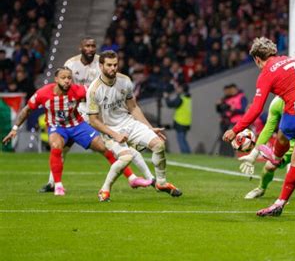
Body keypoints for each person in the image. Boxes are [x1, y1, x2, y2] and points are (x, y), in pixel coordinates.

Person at [223, 37, 295, 217]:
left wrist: (235, 130)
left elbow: (256, 108)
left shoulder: (266, 74)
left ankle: (276, 157)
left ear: (257, 59)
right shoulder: (290, 60)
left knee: (282, 134)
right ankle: (279, 203)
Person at [39, 37, 151, 192]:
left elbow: (114, 81)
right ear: (81, 47)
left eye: (93, 46)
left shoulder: (102, 62)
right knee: (62, 148)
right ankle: (53, 183)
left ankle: (145, 178)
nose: (90, 49)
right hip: (78, 111)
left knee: (115, 144)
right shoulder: (71, 64)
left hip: (101, 111)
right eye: (87, 46)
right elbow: (66, 86)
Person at [2, 67, 128, 196]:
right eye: (63, 78)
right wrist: (15, 129)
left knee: (103, 147)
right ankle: (58, 186)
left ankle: (131, 177)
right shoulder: (43, 93)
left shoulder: (78, 90)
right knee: (56, 146)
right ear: (56, 79)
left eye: (69, 78)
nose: (67, 81)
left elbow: (97, 93)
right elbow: (27, 110)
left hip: (77, 125)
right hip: (57, 127)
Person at [87, 50, 182, 202]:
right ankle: (104, 190)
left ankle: (161, 183)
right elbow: (93, 121)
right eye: (109, 65)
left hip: (129, 123)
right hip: (110, 130)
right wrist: (115, 135)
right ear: (101, 66)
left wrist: (149, 128)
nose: (113, 68)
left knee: (159, 145)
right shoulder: (94, 90)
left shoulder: (125, 80)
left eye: (115, 65)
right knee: (126, 157)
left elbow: (133, 107)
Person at [215, 83, 247, 156]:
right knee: (227, 139)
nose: (231, 91)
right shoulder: (226, 98)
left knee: (238, 139)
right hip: (229, 121)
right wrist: (218, 106)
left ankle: (239, 154)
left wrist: (234, 110)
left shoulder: (242, 97)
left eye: (232, 90)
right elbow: (222, 110)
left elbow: (243, 109)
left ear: (236, 89)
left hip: (239, 122)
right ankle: (227, 154)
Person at [164, 83, 192, 154]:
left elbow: (170, 104)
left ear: (182, 89)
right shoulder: (187, 97)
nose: (177, 89)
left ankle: (186, 154)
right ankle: (189, 154)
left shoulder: (181, 98)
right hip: (186, 122)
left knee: (181, 140)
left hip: (180, 122)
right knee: (183, 139)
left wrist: (166, 97)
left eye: (179, 88)